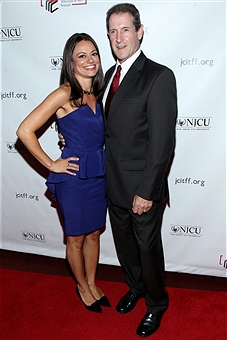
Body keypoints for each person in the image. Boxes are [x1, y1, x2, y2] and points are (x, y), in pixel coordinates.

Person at [16, 32, 110, 313]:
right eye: (82, 55)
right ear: (70, 62)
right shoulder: (64, 93)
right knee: (76, 238)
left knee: (94, 234)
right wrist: (51, 163)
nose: (89, 60)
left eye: (93, 53)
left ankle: (92, 282)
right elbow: (24, 130)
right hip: (73, 178)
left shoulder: (97, 93)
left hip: (98, 175)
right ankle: (82, 287)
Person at [103, 3, 177, 337]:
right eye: (113, 31)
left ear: (140, 31)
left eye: (125, 29)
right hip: (113, 184)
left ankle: (157, 303)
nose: (119, 37)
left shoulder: (159, 76)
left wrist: (147, 191)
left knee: (147, 249)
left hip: (141, 189)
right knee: (125, 246)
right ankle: (136, 287)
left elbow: (162, 143)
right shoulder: (108, 77)